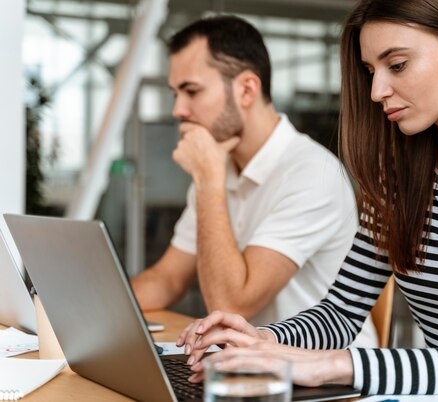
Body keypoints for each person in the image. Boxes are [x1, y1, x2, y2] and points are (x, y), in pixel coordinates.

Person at [177, 1, 438, 400]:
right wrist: (264, 339)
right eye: (370, 70)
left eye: (397, 65)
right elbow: (340, 313)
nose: (377, 90)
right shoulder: (399, 179)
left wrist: (329, 365)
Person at [130, 15, 377, 346]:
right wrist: (85, 315)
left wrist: (208, 179)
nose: (178, 109)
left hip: (324, 379)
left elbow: (233, 306)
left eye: (191, 91)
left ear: (247, 89)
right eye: (175, 93)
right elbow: (168, 278)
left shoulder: (312, 172)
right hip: (252, 366)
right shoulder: (220, 167)